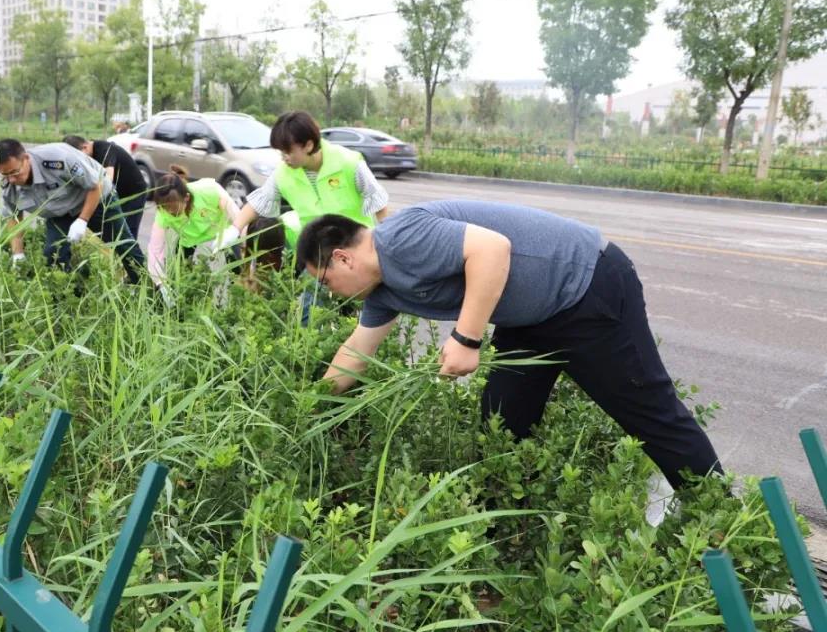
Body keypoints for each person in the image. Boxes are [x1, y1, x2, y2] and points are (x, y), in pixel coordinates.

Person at [297, 202, 722, 490]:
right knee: (501, 423)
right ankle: (504, 531)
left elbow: (491, 249)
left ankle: (720, 519)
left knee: (648, 413)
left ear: (343, 258)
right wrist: (306, 413)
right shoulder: (382, 291)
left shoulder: (400, 238)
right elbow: (356, 352)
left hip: (587, 287)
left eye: (325, 282)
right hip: (530, 320)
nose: (331, 293)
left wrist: (466, 339)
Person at [0, 139, 145, 283]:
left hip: (97, 199)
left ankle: (149, 289)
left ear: (26, 158)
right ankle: (70, 292)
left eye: (15, 172)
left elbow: (95, 185)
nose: (11, 179)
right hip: (60, 214)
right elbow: (13, 218)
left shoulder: (57, 159)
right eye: (5, 174)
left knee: (125, 246)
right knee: (53, 253)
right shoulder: (9, 187)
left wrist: (82, 220)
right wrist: (18, 253)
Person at [230, 110, 390, 247]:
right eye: (281, 153)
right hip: (317, 253)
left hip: (356, 247)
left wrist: (384, 243)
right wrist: (234, 230)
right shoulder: (283, 173)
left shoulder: (349, 163)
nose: (284, 158)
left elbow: (379, 204)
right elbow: (258, 203)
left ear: (308, 145)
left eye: (288, 152)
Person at [147, 165, 243, 291]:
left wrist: (241, 238)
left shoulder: (209, 191)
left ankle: (234, 295)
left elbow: (238, 217)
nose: (170, 212)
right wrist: (159, 282)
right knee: (178, 276)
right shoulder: (163, 214)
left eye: (174, 208)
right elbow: (155, 250)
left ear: (186, 198)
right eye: (165, 208)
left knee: (237, 267)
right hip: (188, 239)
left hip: (222, 230)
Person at [63, 135, 148, 238]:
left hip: (133, 193)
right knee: (112, 232)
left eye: (78, 156)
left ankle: (130, 254)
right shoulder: (88, 155)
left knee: (127, 232)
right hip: (117, 193)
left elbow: (107, 180)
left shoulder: (104, 149)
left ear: (85, 147)